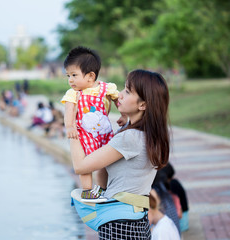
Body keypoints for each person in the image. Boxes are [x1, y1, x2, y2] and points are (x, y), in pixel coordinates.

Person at [70, 69, 170, 239]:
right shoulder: (149, 134)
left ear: (143, 105)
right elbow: (104, 180)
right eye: (123, 89)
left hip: (119, 223)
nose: (120, 95)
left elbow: (80, 166)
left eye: (128, 91)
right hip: (137, 219)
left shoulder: (129, 137)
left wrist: (73, 126)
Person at [61, 46, 126, 201]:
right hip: (84, 135)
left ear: (90, 76)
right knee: (85, 166)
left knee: (105, 164)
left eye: (74, 75)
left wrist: (123, 115)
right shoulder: (73, 94)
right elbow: (69, 110)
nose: (70, 80)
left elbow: (118, 100)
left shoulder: (106, 88)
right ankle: (87, 190)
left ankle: (104, 188)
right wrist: (69, 126)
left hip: (104, 133)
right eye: (68, 75)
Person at [161, 163, 189, 232]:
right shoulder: (175, 182)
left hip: (181, 221)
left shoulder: (171, 185)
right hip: (184, 218)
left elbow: (178, 210)